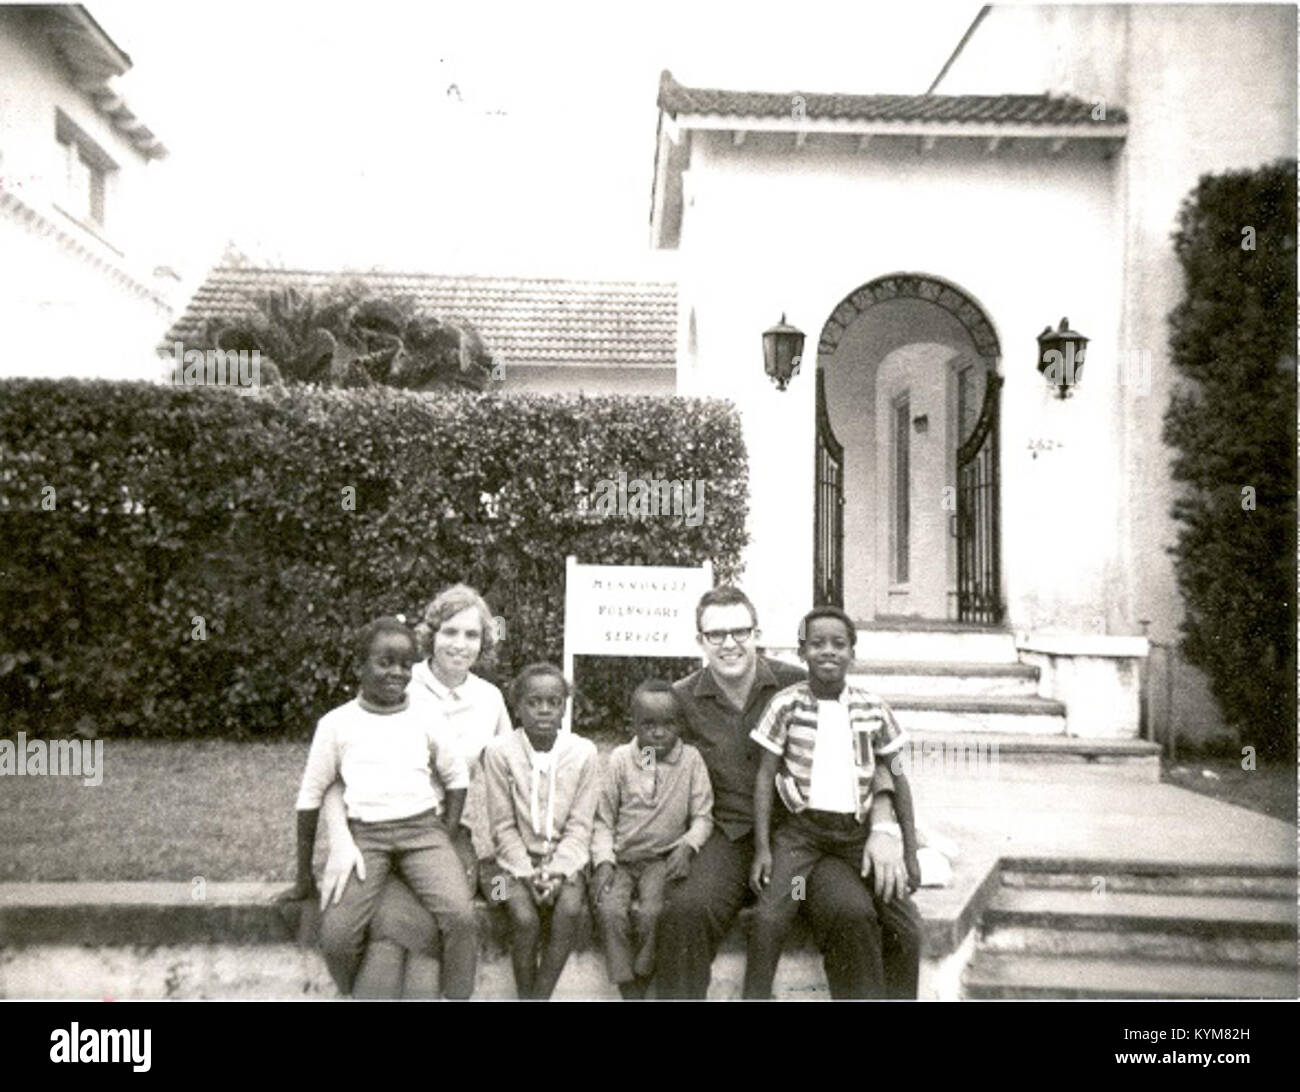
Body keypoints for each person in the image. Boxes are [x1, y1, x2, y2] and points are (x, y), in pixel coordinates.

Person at [655, 586, 922, 999]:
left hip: (803, 838)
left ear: (757, 632)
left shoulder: (798, 683)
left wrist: (884, 823)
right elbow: (653, 766)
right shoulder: (680, 699)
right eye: (716, 635)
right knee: (687, 912)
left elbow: (874, 755)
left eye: (741, 631)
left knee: (851, 912)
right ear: (700, 642)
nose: (730, 644)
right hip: (726, 838)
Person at [313, 585, 511, 998]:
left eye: (472, 635)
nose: (460, 644)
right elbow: (337, 773)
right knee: (388, 924)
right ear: (431, 635)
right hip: (373, 830)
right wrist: (340, 839)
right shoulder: (397, 678)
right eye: (449, 632)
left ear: (485, 641)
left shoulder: (489, 699)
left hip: (444, 833)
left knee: (448, 914)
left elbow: (511, 769)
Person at [285, 616, 478, 998]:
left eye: (405, 664)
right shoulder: (336, 724)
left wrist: (447, 835)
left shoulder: (427, 715)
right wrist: (303, 875)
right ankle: (359, 992)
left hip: (423, 831)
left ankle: (456, 995)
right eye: (384, 662)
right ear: (359, 666)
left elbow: (457, 778)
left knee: (460, 915)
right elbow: (309, 798)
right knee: (338, 936)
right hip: (365, 839)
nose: (396, 673)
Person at [744, 605, 918, 999]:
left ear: (853, 653)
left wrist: (908, 850)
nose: (828, 652)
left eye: (839, 644)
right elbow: (764, 776)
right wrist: (762, 849)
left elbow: (900, 778)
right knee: (770, 918)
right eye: (817, 644)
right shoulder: (786, 705)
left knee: (906, 924)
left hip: (855, 835)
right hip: (801, 835)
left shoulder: (873, 708)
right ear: (801, 652)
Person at [482, 663, 599, 999]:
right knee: (522, 917)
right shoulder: (499, 752)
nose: (545, 710)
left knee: (570, 910)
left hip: (568, 864)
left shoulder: (583, 753)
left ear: (565, 706)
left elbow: (580, 826)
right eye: (534, 702)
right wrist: (527, 872)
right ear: (517, 707)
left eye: (554, 702)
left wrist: (558, 871)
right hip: (504, 868)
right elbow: (501, 826)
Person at [591, 678, 714, 999]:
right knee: (608, 909)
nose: (658, 733)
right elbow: (603, 819)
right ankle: (626, 982)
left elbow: (703, 816)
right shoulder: (620, 759)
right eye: (648, 725)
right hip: (622, 860)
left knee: (653, 912)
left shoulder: (690, 761)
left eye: (668, 724)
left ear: (680, 724)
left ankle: (643, 973)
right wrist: (603, 861)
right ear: (633, 724)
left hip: (661, 861)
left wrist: (688, 845)